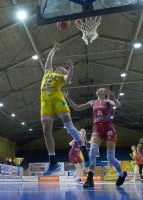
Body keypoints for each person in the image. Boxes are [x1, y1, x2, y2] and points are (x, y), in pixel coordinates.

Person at [40, 41, 89, 176]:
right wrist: (53, 49)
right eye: (64, 69)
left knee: (69, 126)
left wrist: (71, 68)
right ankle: (53, 161)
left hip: (58, 100)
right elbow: (49, 60)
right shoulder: (48, 72)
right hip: (45, 103)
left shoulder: (62, 77)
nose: (63, 69)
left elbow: (69, 79)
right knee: (45, 131)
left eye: (64, 70)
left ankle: (83, 148)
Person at [65, 88, 127, 187]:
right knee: (92, 150)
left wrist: (114, 99)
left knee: (110, 157)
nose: (99, 89)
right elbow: (76, 108)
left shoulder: (108, 101)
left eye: (102, 89)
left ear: (105, 93)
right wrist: (67, 98)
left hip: (108, 128)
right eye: (98, 89)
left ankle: (121, 174)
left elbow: (118, 105)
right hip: (97, 128)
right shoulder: (92, 102)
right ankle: (90, 179)